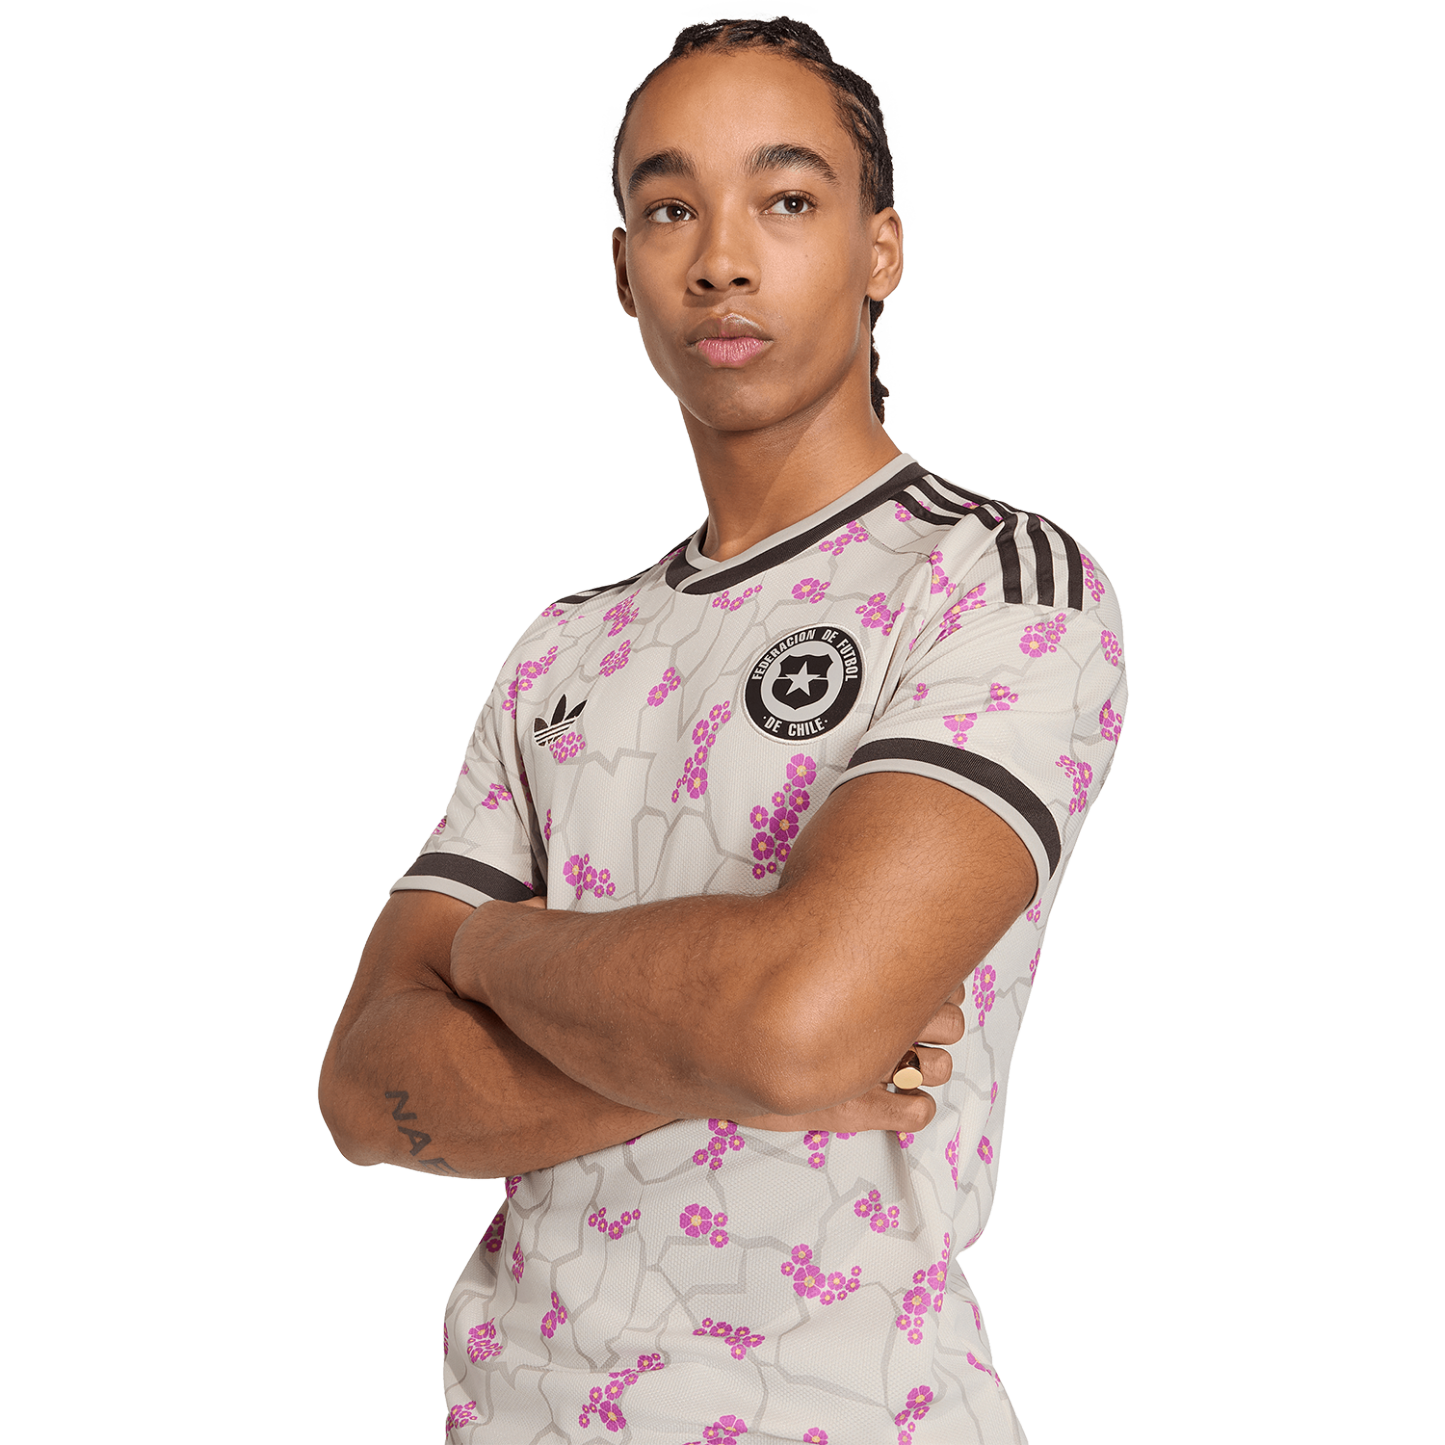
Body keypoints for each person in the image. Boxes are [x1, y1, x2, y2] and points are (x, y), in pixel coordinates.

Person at [319, 17, 1125, 1444]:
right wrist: (746, 1038)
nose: (722, 260)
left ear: (881, 251)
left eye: (788, 199)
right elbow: (368, 1091)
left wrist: (486, 956)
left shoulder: (991, 582)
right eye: (670, 208)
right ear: (623, 268)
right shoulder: (561, 651)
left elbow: (796, 1022)